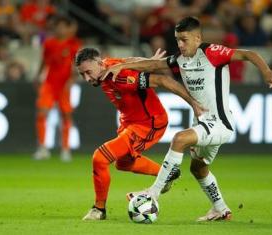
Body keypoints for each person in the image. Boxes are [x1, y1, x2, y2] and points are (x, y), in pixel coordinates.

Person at [102, 16, 272, 221]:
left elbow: (248, 54)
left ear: (198, 38)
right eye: (177, 39)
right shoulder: (180, 60)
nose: (180, 44)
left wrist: (267, 72)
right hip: (203, 123)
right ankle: (221, 209)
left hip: (220, 123)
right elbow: (154, 65)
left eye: (184, 39)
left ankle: (152, 193)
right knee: (198, 168)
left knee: (179, 139)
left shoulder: (212, 53)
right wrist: (122, 65)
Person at [75, 47, 203, 220]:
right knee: (122, 164)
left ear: (99, 63)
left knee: (100, 157)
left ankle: (99, 209)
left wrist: (194, 104)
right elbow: (129, 60)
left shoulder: (119, 77)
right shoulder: (108, 66)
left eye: (88, 72)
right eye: (82, 74)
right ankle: (167, 173)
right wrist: (148, 61)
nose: (87, 78)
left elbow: (163, 80)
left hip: (148, 124)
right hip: (129, 122)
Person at [33, 15, 81, 161]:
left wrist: (72, 80)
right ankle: (42, 148)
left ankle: (65, 149)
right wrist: (37, 75)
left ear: (68, 29)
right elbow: (44, 61)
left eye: (62, 26)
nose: (60, 29)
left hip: (64, 85)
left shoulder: (74, 45)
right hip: (49, 84)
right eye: (57, 26)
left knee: (65, 115)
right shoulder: (49, 43)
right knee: (42, 113)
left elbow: (77, 66)